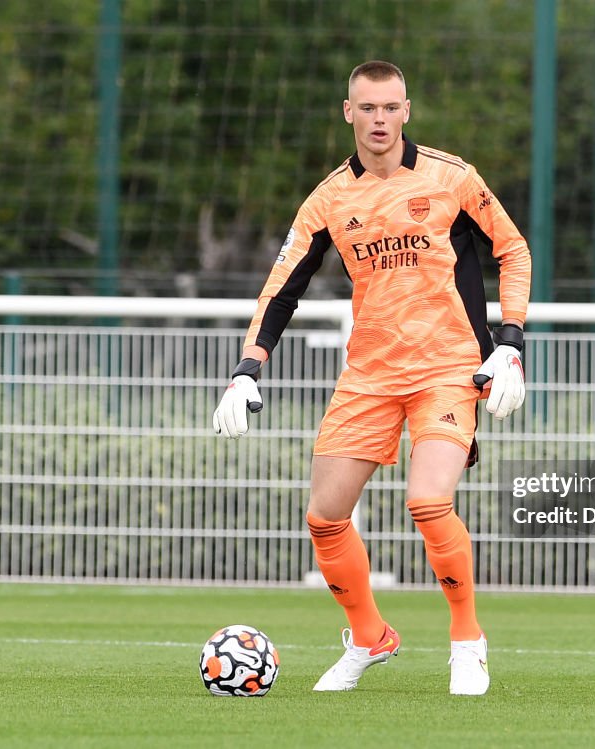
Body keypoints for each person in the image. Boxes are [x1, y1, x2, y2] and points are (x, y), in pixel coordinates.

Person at [213, 60, 531, 696]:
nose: (379, 119)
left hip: (448, 366)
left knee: (428, 501)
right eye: (368, 108)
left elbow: (512, 249)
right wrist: (248, 367)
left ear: (406, 112)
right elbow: (281, 289)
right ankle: (368, 637)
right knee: (325, 517)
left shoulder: (452, 177)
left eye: (390, 108)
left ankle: (467, 641)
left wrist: (511, 343)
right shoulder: (330, 198)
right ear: (348, 112)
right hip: (368, 373)